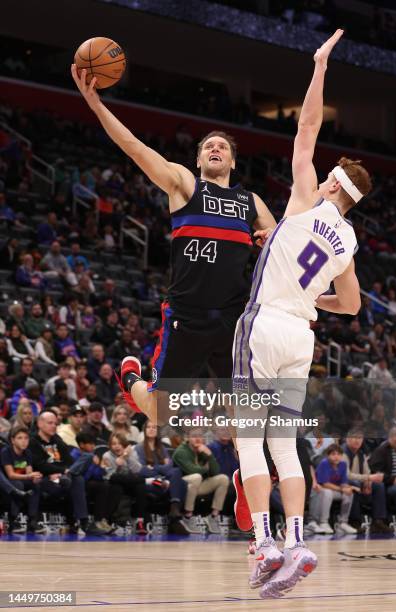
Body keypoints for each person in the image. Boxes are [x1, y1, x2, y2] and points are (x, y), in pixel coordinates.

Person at [231, 30, 373, 599]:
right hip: (302, 337)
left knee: (248, 439)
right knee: (285, 444)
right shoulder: (348, 241)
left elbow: (307, 126)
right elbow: (355, 306)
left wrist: (318, 68)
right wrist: (317, 300)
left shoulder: (304, 198)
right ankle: (296, 542)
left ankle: (264, 543)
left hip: (265, 323)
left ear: (333, 183)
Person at [71, 62, 276, 425]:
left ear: (232, 160)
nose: (216, 148)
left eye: (223, 146)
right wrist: (97, 106)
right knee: (161, 414)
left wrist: (268, 241)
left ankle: (250, 478)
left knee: (245, 415)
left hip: (233, 317)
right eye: (209, 146)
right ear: (198, 159)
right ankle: (131, 378)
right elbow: (135, 149)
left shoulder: (252, 202)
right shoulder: (185, 184)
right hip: (187, 315)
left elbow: (280, 253)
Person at [29, 411, 105, 535]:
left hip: (63, 476)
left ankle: (84, 523)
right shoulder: (33, 441)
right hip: (45, 478)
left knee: (82, 466)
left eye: (55, 423)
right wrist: (59, 471)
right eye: (50, 423)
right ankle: (83, 523)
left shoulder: (57, 439)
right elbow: (39, 464)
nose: (54, 426)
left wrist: (64, 471)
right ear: (40, 424)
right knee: (77, 477)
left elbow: (69, 460)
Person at [135, 420, 190, 535]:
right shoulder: (138, 448)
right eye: (148, 427)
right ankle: (174, 518)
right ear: (144, 431)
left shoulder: (162, 448)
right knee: (179, 483)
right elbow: (142, 470)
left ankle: (174, 511)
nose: (151, 429)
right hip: (150, 483)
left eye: (154, 427)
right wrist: (160, 468)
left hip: (164, 482)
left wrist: (153, 467)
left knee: (177, 473)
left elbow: (169, 468)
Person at [173, 428, 229, 534]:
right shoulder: (181, 451)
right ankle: (188, 516)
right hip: (182, 485)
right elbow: (191, 470)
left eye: (200, 436)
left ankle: (213, 516)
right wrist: (205, 468)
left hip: (197, 486)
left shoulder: (203, 450)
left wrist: (209, 455)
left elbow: (215, 471)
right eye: (194, 436)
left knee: (223, 479)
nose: (197, 439)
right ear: (187, 438)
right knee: (196, 476)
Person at [342, 429, 392, 534]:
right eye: (354, 437)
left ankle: (378, 521)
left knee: (378, 485)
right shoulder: (342, 452)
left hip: (359, 482)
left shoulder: (361, 454)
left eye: (360, 438)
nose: (357, 441)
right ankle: (354, 522)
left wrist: (368, 483)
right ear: (348, 439)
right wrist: (368, 478)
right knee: (354, 484)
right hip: (342, 483)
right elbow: (347, 475)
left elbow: (367, 472)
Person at [1, 425, 45, 534]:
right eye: (20, 438)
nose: (24, 441)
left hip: (21, 480)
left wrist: (34, 478)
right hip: (7, 485)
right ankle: (13, 521)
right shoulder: (6, 452)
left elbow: (29, 472)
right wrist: (29, 476)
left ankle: (32, 521)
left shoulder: (28, 453)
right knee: (18, 484)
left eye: (26, 438)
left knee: (35, 486)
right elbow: (10, 475)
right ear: (12, 440)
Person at [102, 433, 148, 534]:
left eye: (120, 443)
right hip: (114, 483)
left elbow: (137, 470)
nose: (117, 446)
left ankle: (140, 522)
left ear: (124, 445)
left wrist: (126, 456)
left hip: (131, 483)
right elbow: (111, 476)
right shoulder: (107, 456)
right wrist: (120, 462)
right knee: (117, 482)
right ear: (110, 445)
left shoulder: (132, 453)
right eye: (114, 444)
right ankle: (112, 522)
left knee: (141, 486)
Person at [308, 444, 359, 535]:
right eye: (333, 454)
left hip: (335, 491)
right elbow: (325, 484)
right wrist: (342, 489)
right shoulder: (324, 463)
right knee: (328, 492)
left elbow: (343, 482)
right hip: (320, 491)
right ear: (328, 455)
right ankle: (323, 522)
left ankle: (343, 523)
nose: (336, 457)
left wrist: (348, 488)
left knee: (349, 493)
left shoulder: (343, 464)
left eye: (339, 454)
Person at [369, 426, 396, 534]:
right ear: (389, 437)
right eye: (395, 435)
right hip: (389, 487)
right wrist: (392, 479)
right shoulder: (381, 450)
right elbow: (375, 471)